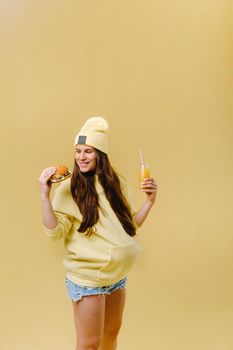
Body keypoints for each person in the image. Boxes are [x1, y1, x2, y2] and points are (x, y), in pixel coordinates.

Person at [39, 116, 158, 350]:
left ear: (100, 155)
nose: (81, 157)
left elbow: (130, 225)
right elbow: (55, 232)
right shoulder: (68, 189)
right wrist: (45, 196)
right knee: (89, 344)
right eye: (78, 151)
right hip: (89, 281)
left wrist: (150, 202)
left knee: (110, 336)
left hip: (116, 277)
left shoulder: (116, 183)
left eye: (88, 152)